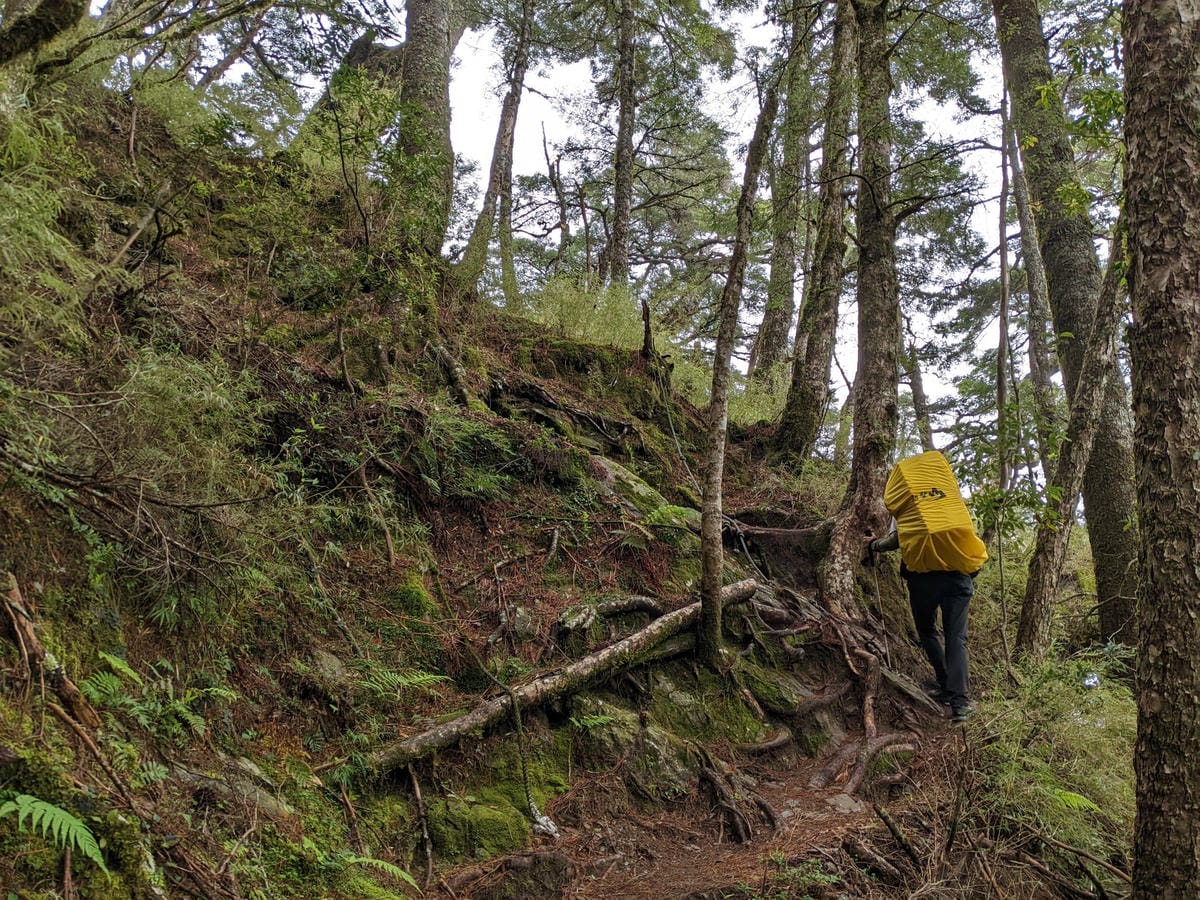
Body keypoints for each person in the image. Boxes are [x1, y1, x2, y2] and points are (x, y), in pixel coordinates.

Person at [866, 450, 987, 723]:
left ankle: (945, 684)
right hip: (958, 578)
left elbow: (896, 540)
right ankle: (960, 704)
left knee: (926, 630)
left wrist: (873, 545)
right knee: (957, 637)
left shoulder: (909, 501)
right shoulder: (948, 500)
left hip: (923, 580)